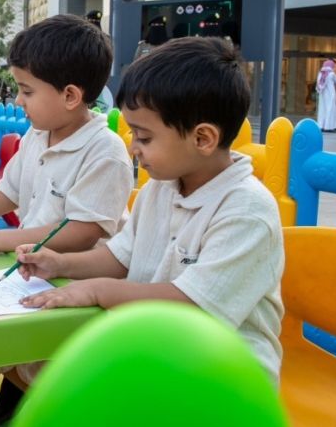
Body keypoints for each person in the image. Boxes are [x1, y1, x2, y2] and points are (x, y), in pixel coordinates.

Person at [16, 38, 284, 391]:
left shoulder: (247, 211)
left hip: (222, 376)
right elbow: (120, 256)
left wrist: (97, 291)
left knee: (74, 385)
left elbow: (193, 307)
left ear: (202, 138)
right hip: (157, 345)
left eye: (143, 137)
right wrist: (61, 265)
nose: (132, 147)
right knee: (46, 368)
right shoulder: (162, 186)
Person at [0, 15, 133, 424]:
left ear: (71, 95)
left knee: (3, 328)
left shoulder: (105, 151)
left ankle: (29, 386)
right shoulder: (37, 134)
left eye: (26, 91)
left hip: (75, 279)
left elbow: (80, 233)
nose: (18, 101)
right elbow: (8, 191)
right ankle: (15, 380)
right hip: (32, 265)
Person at [315, 58, 336, 132]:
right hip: (331, 94)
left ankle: (321, 125)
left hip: (322, 94)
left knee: (322, 109)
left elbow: (318, 84)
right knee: (330, 109)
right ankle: (329, 127)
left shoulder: (320, 74)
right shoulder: (332, 74)